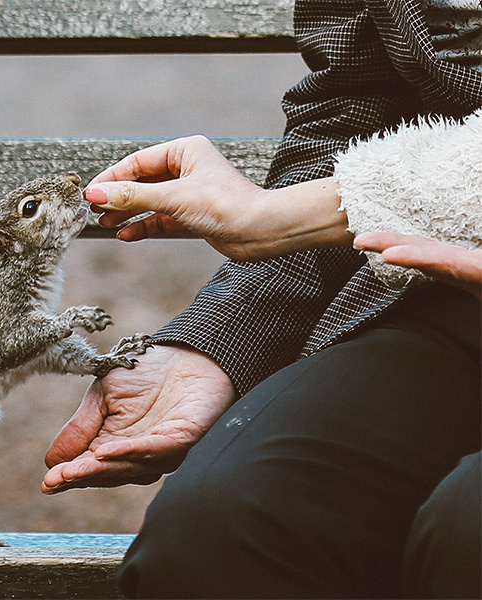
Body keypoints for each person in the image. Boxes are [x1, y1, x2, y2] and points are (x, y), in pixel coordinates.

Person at [41, 1, 482, 597]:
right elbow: (355, 113)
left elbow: (292, 212)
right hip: (447, 298)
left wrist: (272, 217)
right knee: (221, 527)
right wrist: (221, 344)